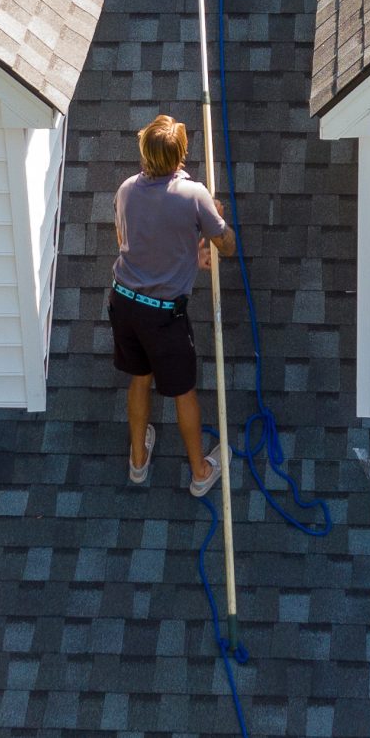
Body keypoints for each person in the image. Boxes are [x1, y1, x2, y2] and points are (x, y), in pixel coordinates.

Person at [112, 113, 236, 495]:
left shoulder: (127, 189)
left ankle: (137, 461)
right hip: (163, 316)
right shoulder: (193, 194)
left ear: (144, 152)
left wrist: (189, 251)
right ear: (181, 154)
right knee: (183, 392)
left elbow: (131, 242)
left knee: (140, 378)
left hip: (124, 303)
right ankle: (200, 472)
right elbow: (227, 247)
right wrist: (216, 220)